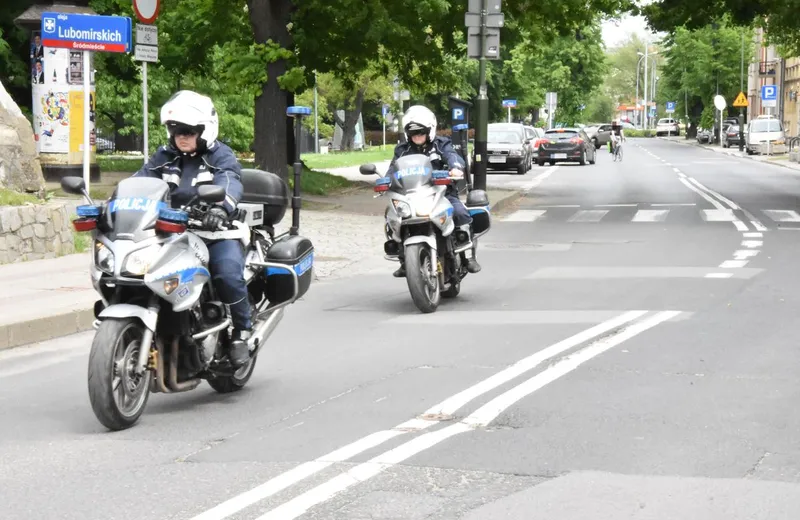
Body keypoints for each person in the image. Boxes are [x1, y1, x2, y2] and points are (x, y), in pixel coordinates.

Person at [133, 90, 251, 368]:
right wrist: (114, 205)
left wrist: (221, 208)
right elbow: (139, 181)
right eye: (175, 130)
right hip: (168, 233)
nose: (181, 136)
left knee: (227, 274)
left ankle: (241, 331)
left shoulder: (221, 155)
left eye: (188, 131)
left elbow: (231, 180)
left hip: (215, 232)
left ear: (204, 130)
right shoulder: (163, 156)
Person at [386, 105, 481, 277]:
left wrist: (455, 167)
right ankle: (404, 259)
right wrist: (384, 180)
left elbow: (452, 156)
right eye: (413, 133)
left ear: (430, 130)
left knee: (459, 212)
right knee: (392, 216)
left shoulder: (441, 144)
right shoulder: (402, 150)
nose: (417, 136)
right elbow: (393, 168)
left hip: (441, 192)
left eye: (421, 132)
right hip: (412, 195)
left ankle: (468, 256)